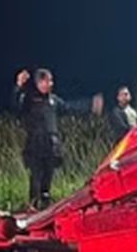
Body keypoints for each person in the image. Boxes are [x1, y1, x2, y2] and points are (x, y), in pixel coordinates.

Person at [11, 68, 103, 210]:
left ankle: (46, 207)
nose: (50, 84)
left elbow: (69, 107)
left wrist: (90, 104)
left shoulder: (53, 100)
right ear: (39, 83)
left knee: (48, 177)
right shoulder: (29, 99)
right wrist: (19, 85)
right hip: (35, 144)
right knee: (36, 176)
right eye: (47, 81)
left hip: (51, 144)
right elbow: (15, 105)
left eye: (51, 81)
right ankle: (33, 206)